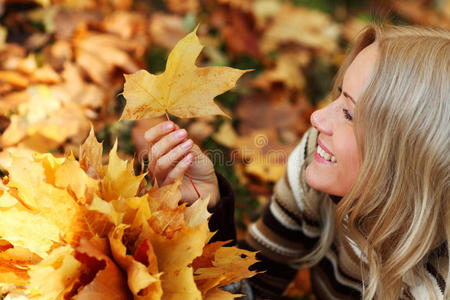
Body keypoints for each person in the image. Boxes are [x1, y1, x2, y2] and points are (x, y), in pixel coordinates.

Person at [142, 24, 449, 299]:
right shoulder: (316, 160)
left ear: (410, 158)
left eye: (349, 114)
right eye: (339, 95)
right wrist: (206, 206)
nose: (317, 118)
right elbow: (250, 287)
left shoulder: (437, 285)